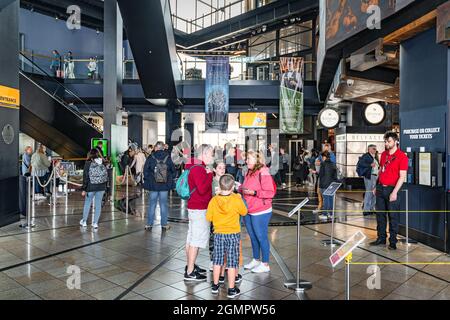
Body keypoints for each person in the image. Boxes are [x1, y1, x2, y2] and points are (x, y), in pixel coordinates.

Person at [207, 174, 248, 299]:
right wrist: (238, 196)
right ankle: (231, 289)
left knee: (217, 260)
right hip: (233, 235)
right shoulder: (236, 199)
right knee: (232, 262)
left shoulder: (214, 200)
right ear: (232, 187)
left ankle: (215, 286)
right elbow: (244, 212)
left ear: (219, 186)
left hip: (219, 234)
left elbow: (209, 217)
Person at [370, 131, 407, 250]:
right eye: (385, 141)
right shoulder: (384, 154)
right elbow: (381, 170)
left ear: (396, 141)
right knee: (380, 215)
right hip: (381, 188)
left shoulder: (402, 156)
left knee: (393, 216)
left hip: (392, 189)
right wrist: (376, 185)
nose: (386, 143)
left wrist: (395, 192)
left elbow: (402, 176)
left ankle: (392, 241)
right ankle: (381, 238)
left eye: (389, 141)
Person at [241, 150, 276, 273]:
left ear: (257, 160)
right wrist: (239, 187)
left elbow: (270, 192)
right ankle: (256, 259)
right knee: (253, 236)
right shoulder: (249, 172)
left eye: (249, 159)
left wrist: (255, 193)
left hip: (261, 210)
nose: (246, 161)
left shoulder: (264, 172)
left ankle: (265, 264)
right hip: (248, 209)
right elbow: (246, 187)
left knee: (261, 237)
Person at [184, 144, 214, 281]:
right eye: (211, 154)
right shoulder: (199, 169)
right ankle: (190, 272)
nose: (212, 157)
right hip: (199, 208)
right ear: (204, 154)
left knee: (191, 239)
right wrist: (209, 175)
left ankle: (190, 265)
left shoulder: (192, 166)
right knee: (196, 240)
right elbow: (202, 189)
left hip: (193, 207)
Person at [143, 141, 176, 230]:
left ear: (156, 148)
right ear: (163, 148)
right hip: (164, 186)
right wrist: (168, 178)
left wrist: (149, 179)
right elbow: (173, 171)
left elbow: (145, 170)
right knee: (163, 205)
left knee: (152, 205)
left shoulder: (151, 157)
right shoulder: (167, 157)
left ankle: (149, 224)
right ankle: (164, 225)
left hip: (153, 186)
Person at [80, 149, 108, 229]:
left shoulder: (88, 163)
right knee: (98, 204)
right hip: (101, 186)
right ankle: (95, 223)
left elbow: (85, 177)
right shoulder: (103, 162)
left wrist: (84, 189)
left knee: (88, 203)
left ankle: (84, 221)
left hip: (91, 187)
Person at [357, 144, 380, 216]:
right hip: (369, 176)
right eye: (373, 149)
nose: (375, 150)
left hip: (375, 176)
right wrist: (369, 165)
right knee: (369, 192)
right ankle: (366, 209)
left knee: (374, 193)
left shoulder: (375, 156)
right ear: (369, 149)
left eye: (375, 149)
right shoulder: (366, 156)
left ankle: (371, 208)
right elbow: (360, 163)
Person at [317, 151, 337, 220]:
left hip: (324, 184)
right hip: (332, 184)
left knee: (325, 199)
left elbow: (321, 175)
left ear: (324, 157)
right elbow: (335, 175)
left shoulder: (323, 164)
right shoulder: (333, 164)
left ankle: (325, 214)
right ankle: (331, 214)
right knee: (331, 199)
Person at [19, 146, 33, 218]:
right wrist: (32, 162)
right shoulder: (26, 155)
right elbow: (28, 163)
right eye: (30, 149)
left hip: (26, 171)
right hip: (26, 172)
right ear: (27, 150)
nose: (31, 150)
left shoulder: (26, 155)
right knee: (27, 183)